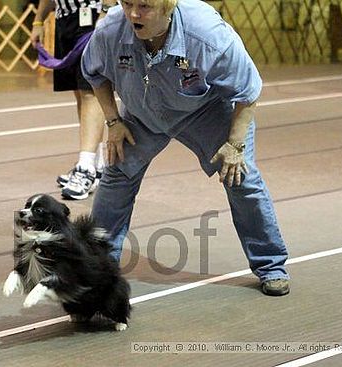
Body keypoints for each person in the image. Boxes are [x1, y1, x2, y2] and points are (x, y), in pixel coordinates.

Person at [81, 0, 290, 296]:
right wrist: (113, 122)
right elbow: (95, 74)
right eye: (127, 3)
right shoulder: (111, 30)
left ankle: (271, 265)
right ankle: (96, 273)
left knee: (241, 177)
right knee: (116, 174)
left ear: (168, 6)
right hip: (144, 112)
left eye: (144, 6)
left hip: (205, 110)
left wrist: (235, 144)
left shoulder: (208, 35)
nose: (133, 14)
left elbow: (248, 89)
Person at [30, 0, 114, 200]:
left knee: (91, 91)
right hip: (64, 19)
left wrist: (106, 13)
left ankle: (85, 167)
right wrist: (38, 21)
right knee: (79, 92)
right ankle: (97, 166)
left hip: (91, 17)